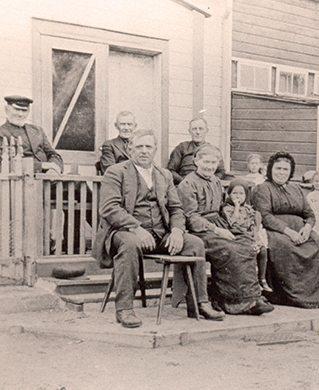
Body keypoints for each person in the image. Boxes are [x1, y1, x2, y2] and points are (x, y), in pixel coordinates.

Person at [92, 130, 224, 328]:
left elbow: (176, 208)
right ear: (129, 149)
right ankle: (125, 309)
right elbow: (110, 208)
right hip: (125, 232)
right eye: (139, 146)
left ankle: (199, 303)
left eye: (148, 147)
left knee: (195, 243)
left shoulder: (164, 175)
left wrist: (177, 231)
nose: (144, 151)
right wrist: (136, 228)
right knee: (129, 244)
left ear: (155, 150)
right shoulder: (116, 172)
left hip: (160, 234)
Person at [177, 145, 273, 315]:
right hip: (199, 231)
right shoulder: (187, 184)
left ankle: (250, 297)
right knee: (230, 249)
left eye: (214, 162)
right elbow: (191, 218)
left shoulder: (215, 181)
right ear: (196, 161)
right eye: (206, 162)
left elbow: (222, 208)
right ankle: (232, 303)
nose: (209, 166)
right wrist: (217, 230)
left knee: (247, 244)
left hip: (218, 224)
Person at [253, 152, 319, 308]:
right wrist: (289, 232)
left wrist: (308, 228)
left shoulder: (296, 189)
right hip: (276, 230)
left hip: (300, 229)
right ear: (271, 169)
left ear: (290, 172)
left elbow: (309, 214)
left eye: (285, 169)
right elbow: (265, 216)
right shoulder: (263, 188)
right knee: (288, 247)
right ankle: (292, 295)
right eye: (278, 168)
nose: (281, 172)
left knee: (317, 245)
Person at [0, 95, 63, 174]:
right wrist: (42, 166)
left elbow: (54, 155)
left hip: (48, 178)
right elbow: (6, 163)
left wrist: (54, 169)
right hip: (22, 181)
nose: (20, 114)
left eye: (24, 110)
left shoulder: (38, 130)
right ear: (7, 110)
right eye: (17, 109)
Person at [222, 179, 272, 293]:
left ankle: (262, 279)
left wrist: (254, 236)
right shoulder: (227, 209)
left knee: (263, 250)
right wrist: (236, 207)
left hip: (249, 235)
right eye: (234, 193)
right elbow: (232, 223)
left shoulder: (249, 209)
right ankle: (253, 281)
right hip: (236, 234)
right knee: (251, 250)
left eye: (241, 193)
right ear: (229, 194)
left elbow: (254, 224)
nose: (238, 196)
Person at [167, 118, 226, 184]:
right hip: (186, 185)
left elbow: (221, 171)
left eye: (201, 129)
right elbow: (171, 170)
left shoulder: (214, 150)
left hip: (207, 185)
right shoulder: (182, 147)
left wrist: (210, 181)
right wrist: (184, 181)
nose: (197, 132)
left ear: (206, 131)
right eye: (194, 129)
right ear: (189, 131)